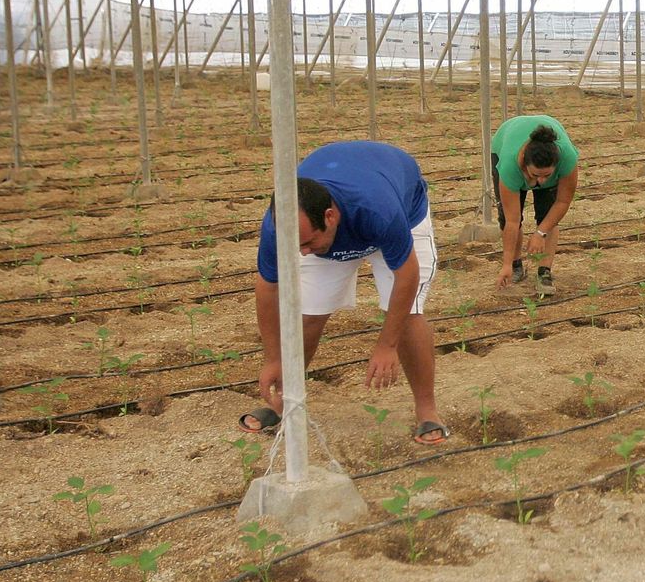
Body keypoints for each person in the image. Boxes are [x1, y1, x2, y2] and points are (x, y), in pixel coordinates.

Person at [240, 140, 449, 445]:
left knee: (408, 315)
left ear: (329, 216)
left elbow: (407, 274)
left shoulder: (378, 209)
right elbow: (268, 286)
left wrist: (386, 345)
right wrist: (273, 358)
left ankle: (427, 410)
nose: (304, 253)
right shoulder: (280, 226)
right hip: (344, 212)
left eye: (308, 243)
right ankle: (287, 402)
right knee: (309, 314)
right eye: (296, 247)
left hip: (403, 210)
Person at [490, 115, 580, 296]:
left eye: (547, 175)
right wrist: (506, 264)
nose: (541, 181)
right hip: (503, 141)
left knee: (547, 216)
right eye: (536, 175)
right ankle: (515, 266)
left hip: (548, 150)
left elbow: (563, 202)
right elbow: (512, 221)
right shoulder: (509, 165)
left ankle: (544, 272)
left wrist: (540, 232)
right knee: (508, 216)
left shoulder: (568, 158)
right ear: (524, 162)